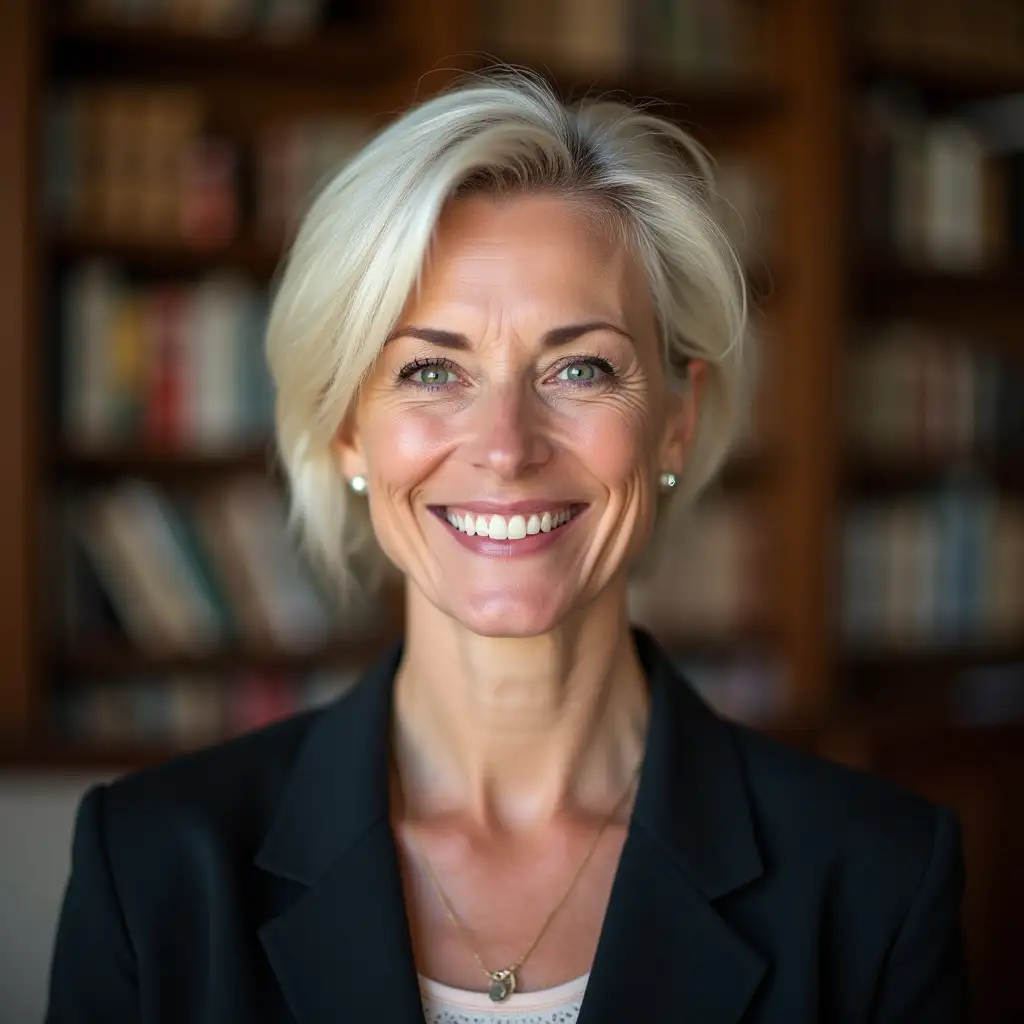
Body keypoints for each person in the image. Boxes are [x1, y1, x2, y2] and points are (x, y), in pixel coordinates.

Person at [46, 71, 966, 1023]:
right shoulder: (153, 867)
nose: (505, 447)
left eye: (579, 368)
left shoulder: (876, 878)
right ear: (348, 430)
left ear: (676, 422)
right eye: (432, 369)